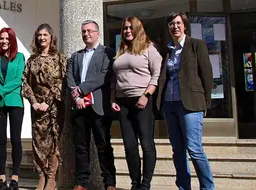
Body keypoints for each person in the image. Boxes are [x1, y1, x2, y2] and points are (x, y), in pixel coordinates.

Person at [156, 12, 215, 190]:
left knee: (194, 149)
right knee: (177, 150)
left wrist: (205, 102)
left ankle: (207, 187)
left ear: (185, 25)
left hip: (191, 104)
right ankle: (183, 187)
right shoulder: (167, 50)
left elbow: (207, 74)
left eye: (178, 23)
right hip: (170, 103)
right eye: (171, 24)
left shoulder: (196, 45)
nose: (175, 27)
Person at [111, 17, 162, 190]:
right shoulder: (121, 51)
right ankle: (135, 183)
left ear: (137, 29)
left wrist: (146, 95)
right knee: (130, 146)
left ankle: (145, 184)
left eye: (130, 28)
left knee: (146, 143)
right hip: (122, 103)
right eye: (125, 28)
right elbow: (114, 79)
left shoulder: (149, 48)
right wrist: (113, 99)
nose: (127, 31)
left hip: (142, 100)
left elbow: (156, 75)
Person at [66, 20, 117, 190]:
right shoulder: (75, 56)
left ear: (97, 33)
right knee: (81, 147)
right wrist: (77, 97)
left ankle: (109, 183)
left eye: (89, 31)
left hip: (99, 107)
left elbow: (104, 76)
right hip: (79, 107)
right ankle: (81, 183)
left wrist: (81, 89)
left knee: (104, 146)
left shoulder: (107, 53)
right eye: (83, 31)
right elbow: (70, 78)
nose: (86, 34)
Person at [21, 24, 66, 190]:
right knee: (38, 142)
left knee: (54, 141)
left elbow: (62, 81)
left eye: (45, 34)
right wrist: (34, 102)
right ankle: (41, 176)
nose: (42, 38)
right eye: (39, 35)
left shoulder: (60, 58)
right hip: (36, 107)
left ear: (51, 37)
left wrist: (47, 101)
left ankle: (51, 178)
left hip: (53, 106)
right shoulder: (32, 59)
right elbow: (24, 82)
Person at [0, 27, 26, 190]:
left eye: (7, 38)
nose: (4, 41)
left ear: (12, 40)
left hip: (15, 102)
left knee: (16, 140)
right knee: (0, 141)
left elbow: (19, 79)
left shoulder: (19, 57)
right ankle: (2, 179)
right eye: (1, 39)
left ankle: (15, 178)